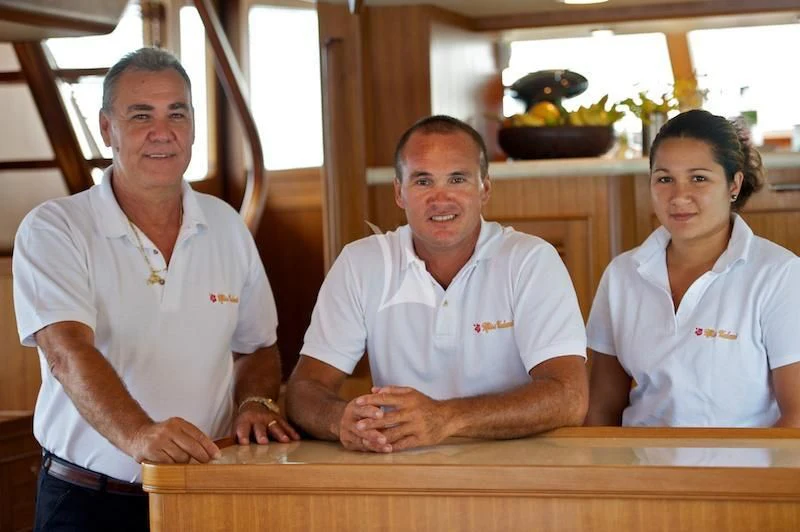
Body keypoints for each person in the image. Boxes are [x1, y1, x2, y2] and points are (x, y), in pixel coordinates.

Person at [12, 47, 298, 532]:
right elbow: (66, 353)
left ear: (191, 127)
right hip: (87, 502)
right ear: (107, 129)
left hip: (204, 495)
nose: (161, 132)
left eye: (177, 114)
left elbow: (258, 348)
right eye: (140, 115)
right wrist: (139, 435)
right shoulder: (54, 228)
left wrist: (255, 403)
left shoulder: (227, 226)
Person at [286, 115, 588, 453]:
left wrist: (446, 418)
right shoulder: (361, 262)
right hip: (400, 471)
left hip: (516, 474)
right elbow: (304, 389)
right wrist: (340, 419)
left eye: (457, 179)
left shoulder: (530, 260)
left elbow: (570, 397)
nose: (440, 199)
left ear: (484, 189)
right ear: (399, 192)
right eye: (423, 181)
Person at [585, 109, 800, 427]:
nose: (678, 195)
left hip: (743, 471)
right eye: (664, 179)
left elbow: (796, 416)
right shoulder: (622, 275)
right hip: (641, 467)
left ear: (733, 185)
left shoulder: (780, 275)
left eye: (698, 178)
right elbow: (602, 410)